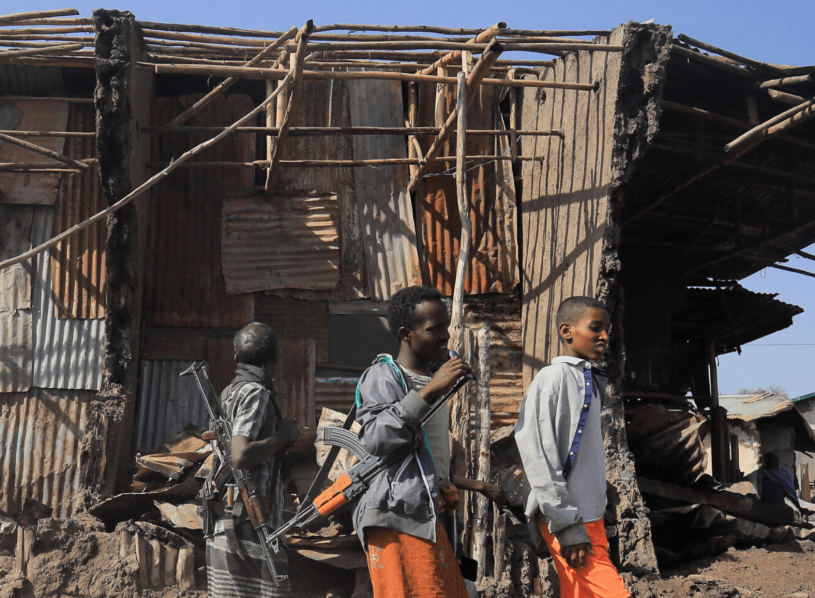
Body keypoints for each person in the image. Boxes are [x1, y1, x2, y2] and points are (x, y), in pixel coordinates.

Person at [352, 285, 473, 598]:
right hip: (398, 517)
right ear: (407, 333)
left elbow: (426, 458)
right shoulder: (382, 376)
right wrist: (431, 390)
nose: (445, 336)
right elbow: (377, 438)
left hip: (430, 513)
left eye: (446, 326)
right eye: (435, 329)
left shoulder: (431, 379)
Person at [514, 296, 630, 598]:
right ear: (567, 332)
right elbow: (538, 456)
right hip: (568, 519)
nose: (605, 336)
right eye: (596, 328)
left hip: (587, 517)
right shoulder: (553, 379)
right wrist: (566, 525)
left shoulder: (586, 380)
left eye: (607, 329)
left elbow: (576, 456)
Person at [206, 322, 301, 598]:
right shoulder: (255, 393)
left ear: (236, 358)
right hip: (250, 524)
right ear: (274, 358)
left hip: (226, 522)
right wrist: (283, 436)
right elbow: (241, 455)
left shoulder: (227, 394)